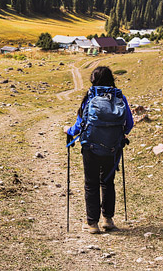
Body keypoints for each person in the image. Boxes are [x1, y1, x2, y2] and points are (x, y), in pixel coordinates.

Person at [64, 66, 133, 234]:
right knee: (107, 182)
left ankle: (92, 224)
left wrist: (68, 130)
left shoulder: (90, 97)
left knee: (91, 184)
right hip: (112, 148)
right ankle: (108, 220)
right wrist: (118, 135)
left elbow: (80, 124)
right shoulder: (119, 97)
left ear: (93, 80)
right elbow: (129, 124)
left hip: (90, 147)